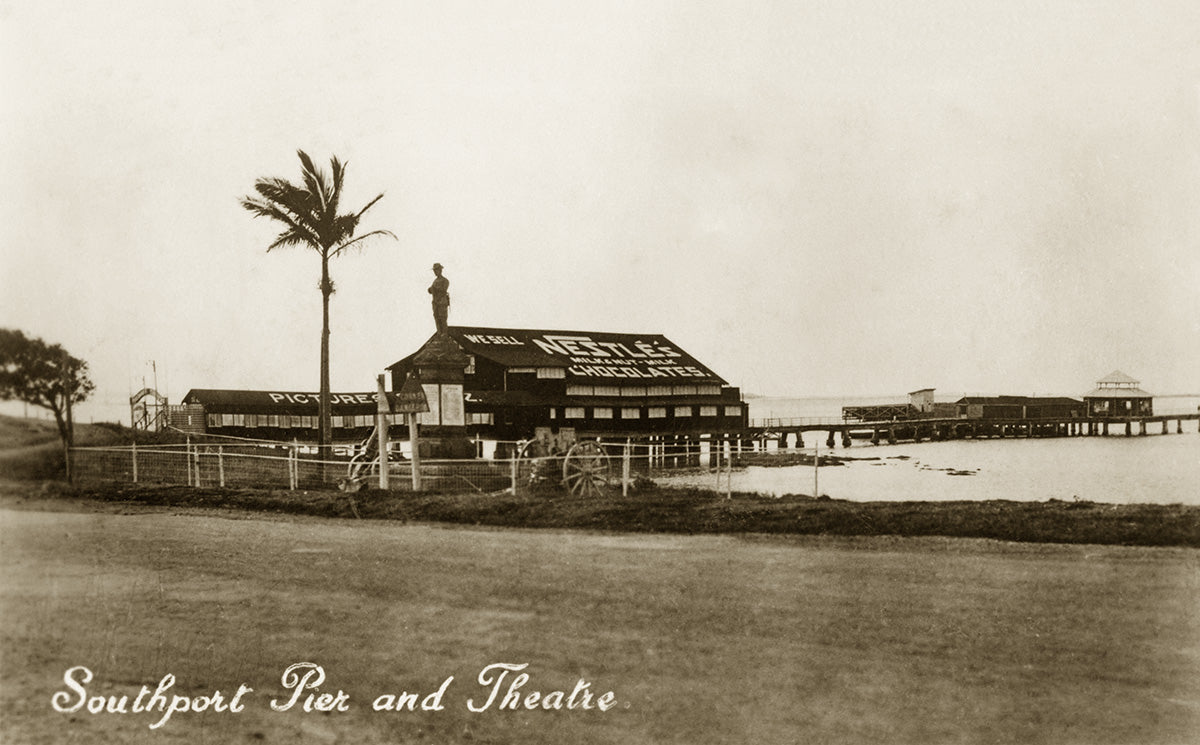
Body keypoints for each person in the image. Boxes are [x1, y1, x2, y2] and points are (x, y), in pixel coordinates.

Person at [428, 263, 449, 332]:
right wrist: (431, 289)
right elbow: (430, 290)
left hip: (442, 303)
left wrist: (434, 289)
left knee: (442, 319)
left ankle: (444, 333)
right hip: (435, 303)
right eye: (434, 270)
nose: (435, 272)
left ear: (440, 270)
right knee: (437, 319)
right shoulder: (435, 281)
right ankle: (439, 333)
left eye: (436, 270)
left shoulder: (445, 280)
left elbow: (443, 290)